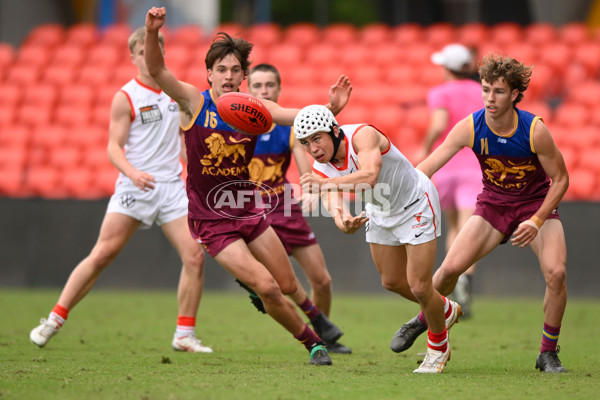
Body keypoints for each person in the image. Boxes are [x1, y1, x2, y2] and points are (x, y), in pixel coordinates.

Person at [144, 6, 352, 365]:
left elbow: (300, 120)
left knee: (287, 284)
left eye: (234, 70)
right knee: (268, 286)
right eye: (220, 69)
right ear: (208, 73)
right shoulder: (194, 102)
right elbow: (158, 71)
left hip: (248, 209)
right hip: (211, 222)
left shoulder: (255, 110)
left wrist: (330, 110)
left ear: (243, 75)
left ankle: (310, 318)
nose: (227, 75)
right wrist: (151, 33)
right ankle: (313, 343)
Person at [29, 27, 212, 353]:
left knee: (195, 256)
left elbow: (185, 143)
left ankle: (184, 334)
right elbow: (114, 147)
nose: (148, 57)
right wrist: (132, 172)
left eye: (154, 50)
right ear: (132, 56)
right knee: (102, 255)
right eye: (141, 52)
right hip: (134, 186)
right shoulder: (125, 96)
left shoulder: (177, 93)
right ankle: (53, 319)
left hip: (170, 188)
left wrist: (196, 168)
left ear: (163, 53)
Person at [392, 54, 569, 373]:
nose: (490, 97)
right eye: (486, 89)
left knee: (556, 274)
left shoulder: (534, 130)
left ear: (515, 94)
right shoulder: (471, 126)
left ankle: (548, 353)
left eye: (499, 91)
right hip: (493, 206)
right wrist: (396, 194)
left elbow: (561, 179)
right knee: (446, 273)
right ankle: (425, 319)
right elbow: (427, 167)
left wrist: (537, 219)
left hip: (535, 205)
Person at [295, 105, 462, 373]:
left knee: (419, 286)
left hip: (415, 203)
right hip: (380, 209)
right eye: (305, 143)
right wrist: (343, 221)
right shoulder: (321, 165)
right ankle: (443, 307)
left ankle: (438, 349)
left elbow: (370, 176)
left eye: (317, 138)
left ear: (334, 131)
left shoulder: (363, 135)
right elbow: (335, 205)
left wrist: (325, 184)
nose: (313, 148)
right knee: (392, 281)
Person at [247, 63, 351, 354]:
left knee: (322, 280)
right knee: (273, 282)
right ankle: (313, 337)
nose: (264, 91)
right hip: (250, 210)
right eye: (257, 86)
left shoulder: (289, 129)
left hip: (283, 207)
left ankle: (325, 336)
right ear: (249, 91)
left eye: (269, 85)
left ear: (279, 90)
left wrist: (311, 190)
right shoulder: (239, 126)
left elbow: (309, 163)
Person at [416, 43, 484, 317]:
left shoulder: (440, 92)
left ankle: (452, 283)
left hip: (446, 167)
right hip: (475, 166)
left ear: (447, 67)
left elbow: (439, 123)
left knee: (454, 226)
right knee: (470, 229)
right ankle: (465, 281)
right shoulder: (482, 92)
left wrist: (425, 148)